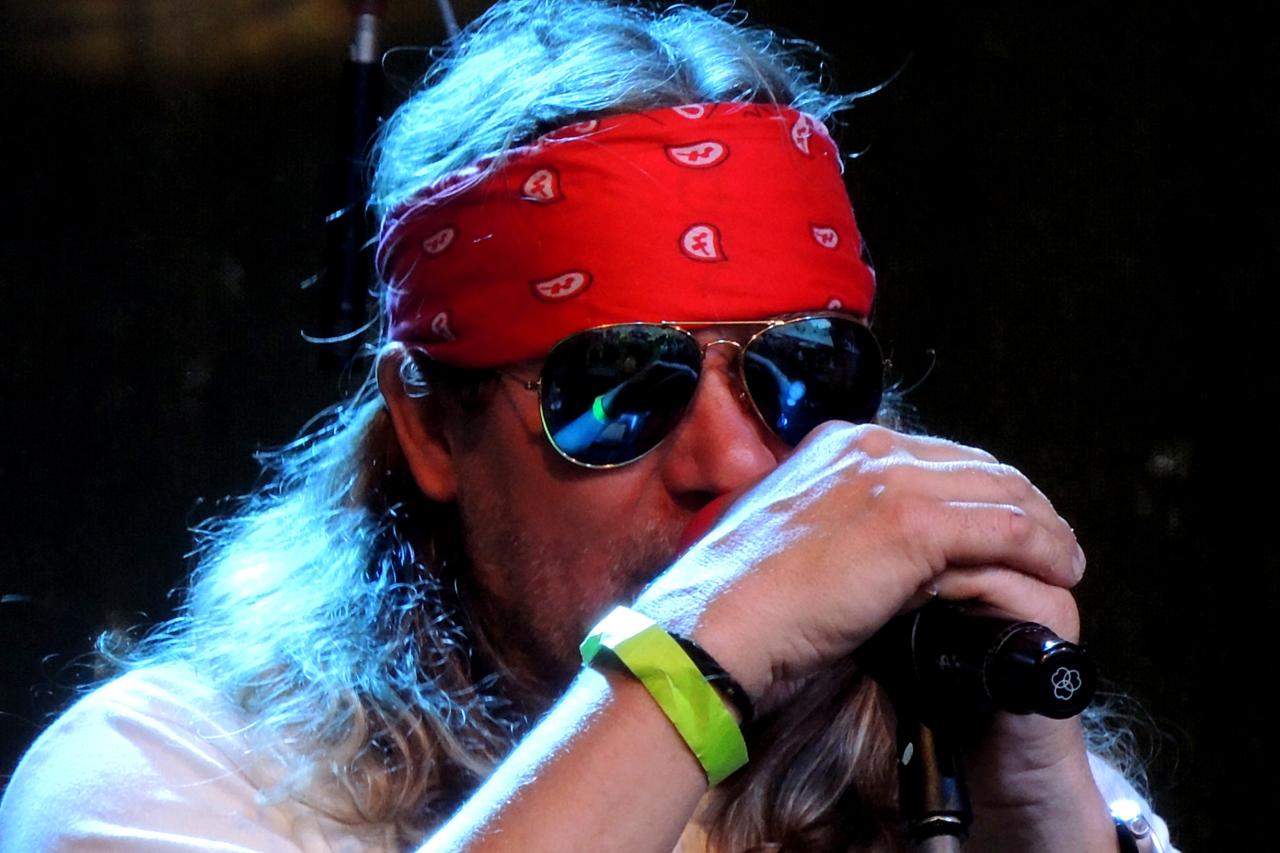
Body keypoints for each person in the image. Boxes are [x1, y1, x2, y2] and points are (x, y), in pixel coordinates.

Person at [0, 1, 1176, 850]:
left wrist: (1032, 800)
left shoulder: (940, 761)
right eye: (619, 387)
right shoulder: (169, 772)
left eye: (797, 376)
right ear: (430, 428)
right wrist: (699, 651)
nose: (734, 461)